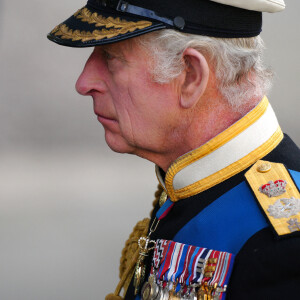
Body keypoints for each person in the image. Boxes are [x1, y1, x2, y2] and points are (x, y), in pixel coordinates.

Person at [47, 0, 300, 299]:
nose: (84, 82)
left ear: (191, 75)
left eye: (111, 57)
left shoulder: (285, 248)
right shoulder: (188, 180)